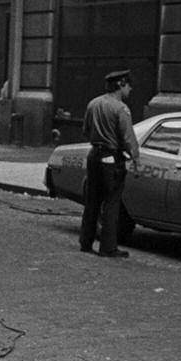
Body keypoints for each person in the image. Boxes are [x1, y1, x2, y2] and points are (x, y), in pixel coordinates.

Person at [79, 69, 140, 259]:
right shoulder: (121, 108)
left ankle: (86, 242)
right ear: (121, 84)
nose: (130, 90)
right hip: (111, 158)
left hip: (93, 155)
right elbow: (128, 137)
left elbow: (85, 131)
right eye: (129, 86)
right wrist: (135, 157)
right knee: (112, 202)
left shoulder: (93, 104)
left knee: (92, 200)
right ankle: (108, 247)